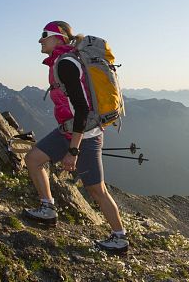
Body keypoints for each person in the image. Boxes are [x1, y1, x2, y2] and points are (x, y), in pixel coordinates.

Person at [23, 21, 129, 253]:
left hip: (85, 134)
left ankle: (120, 238)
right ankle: (47, 208)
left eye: (45, 35)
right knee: (33, 159)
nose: (40, 40)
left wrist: (73, 150)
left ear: (59, 38)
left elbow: (81, 108)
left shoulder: (67, 64)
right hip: (68, 130)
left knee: (96, 190)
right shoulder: (63, 61)